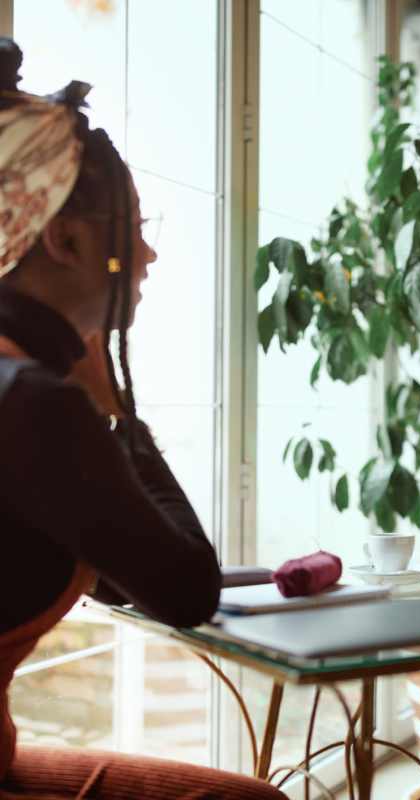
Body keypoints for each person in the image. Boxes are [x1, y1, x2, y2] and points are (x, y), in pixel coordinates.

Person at [0, 39, 286, 799]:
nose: (151, 254)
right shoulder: (32, 404)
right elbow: (187, 589)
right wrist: (116, 409)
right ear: (62, 238)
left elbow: (122, 577)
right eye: (133, 226)